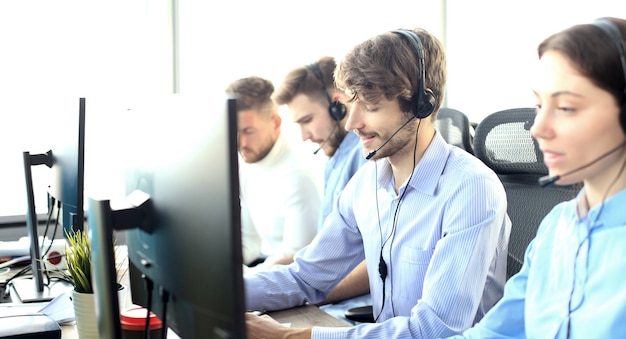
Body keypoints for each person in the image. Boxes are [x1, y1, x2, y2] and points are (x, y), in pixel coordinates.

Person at [244, 27, 511, 338]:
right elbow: (306, 276)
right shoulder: (366, 183)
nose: (351, 123)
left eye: (370, 107)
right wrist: (217, 295)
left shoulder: (471, 189)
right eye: (351, 103)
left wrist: (288, 337)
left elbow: (434, 330)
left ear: (421, 106)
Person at [449, 17, 626, 338]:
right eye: (539, 104)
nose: (537, 128)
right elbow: (496, 333)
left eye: (567, 107)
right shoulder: (557, 227)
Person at [272, 56, 371, 319]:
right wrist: (270, 271)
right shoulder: (335, 158)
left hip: (351, 313)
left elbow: (375, 267)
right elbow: (324, 256)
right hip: (328, 304)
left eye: (306, 120)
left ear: (338, 106)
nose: (304, 135)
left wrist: (300, 293)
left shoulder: (364, 159)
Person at [225, 76, 322, 271]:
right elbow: (250, 242)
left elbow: (297, 258)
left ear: (276, 122)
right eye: (234, 131)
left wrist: (244, 279)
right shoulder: (247, 167)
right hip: (265, 268)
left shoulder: (297, 176)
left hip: (289, 280)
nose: (240, 143)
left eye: (248, 131)